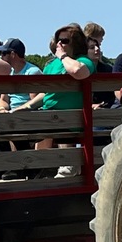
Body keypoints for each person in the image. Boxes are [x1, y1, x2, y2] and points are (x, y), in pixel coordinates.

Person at [19, 25, 95, 177]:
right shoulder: (51, 65)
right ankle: (36, 168)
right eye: (58, 40)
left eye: (64, 41)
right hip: (49, 114)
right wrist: (26, 106)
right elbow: (46, 94)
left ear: (76, 42)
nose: (59, 44)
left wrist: (63, 56)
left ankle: (66, 166)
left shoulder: (83, 60)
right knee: (12, 122)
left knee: (59, 122)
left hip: (71, 117)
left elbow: (79, 72)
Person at [0, 38, 42, 112]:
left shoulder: (32, 72)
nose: (1, 56)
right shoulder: (8, 72)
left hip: (27, 115)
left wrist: (17, 110)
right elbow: (3, 99)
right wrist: (2, 109)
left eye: (4, 53)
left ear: (13, 54)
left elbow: (35, 103)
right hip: (11, 113)